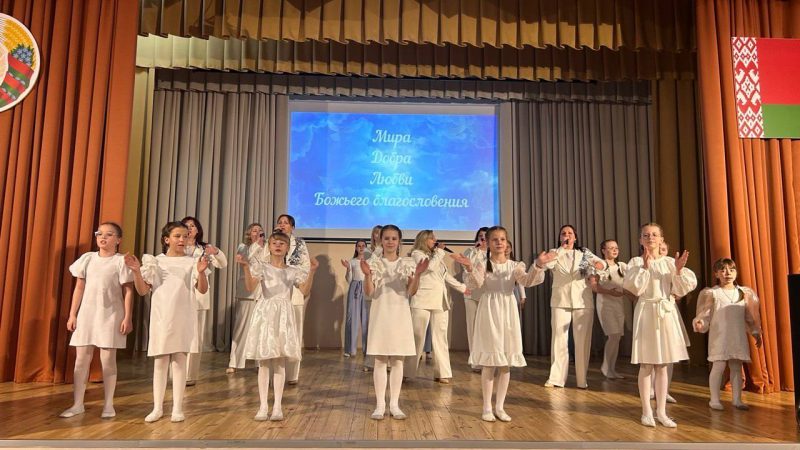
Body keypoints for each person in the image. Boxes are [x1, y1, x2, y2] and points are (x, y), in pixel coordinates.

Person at [453, 226, 540, 422]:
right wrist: (469, 267)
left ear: (507, 242)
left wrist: (538, 266)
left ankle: (500, 407)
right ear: (488, 243)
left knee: (505, 362)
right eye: (495, 239)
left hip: (508, 310)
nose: (499, 242)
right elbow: (475, 284)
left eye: (502, 239)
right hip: (490, 309)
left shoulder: (515, 265)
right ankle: (486, 407)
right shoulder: (483, 264)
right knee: (490, 360)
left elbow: (527, 281)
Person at [126, 221, 209, 423]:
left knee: (180, 361)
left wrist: (200, 272)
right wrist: (136, 272)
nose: (182, 240)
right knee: (161, 361)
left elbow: (202, 289)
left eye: (185, 236)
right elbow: (142, 290)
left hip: (183, 315)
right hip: (162, 315)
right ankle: (157, 407)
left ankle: (178, 408)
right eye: (177, 236)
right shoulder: (156, 261)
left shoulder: (192, 261)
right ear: (166, 239)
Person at [237, 231, 317, 421]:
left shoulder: (292, 271)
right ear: (269, 246)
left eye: (282, 243)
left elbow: (304, 290)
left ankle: (278, 406)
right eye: (275, 243)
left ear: (287, 248)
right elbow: (250, 287)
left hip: (283, 315)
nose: (278, 246)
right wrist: (246, 267)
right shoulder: (262, 267)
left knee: (280, 361)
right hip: (266, 314)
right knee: (264, 361)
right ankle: (263, 406)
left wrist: (312, 272)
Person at [623, 222, 696, 428]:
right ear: (640, 240)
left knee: (663, 364)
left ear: (661, 239)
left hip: (665, 312)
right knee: (647, 364)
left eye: (654, 235)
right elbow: (634, 288)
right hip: (646, 312)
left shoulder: (670, 263)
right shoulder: (636, 262)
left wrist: (678, 271)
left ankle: (662, 412)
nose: (650, 238)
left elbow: (681, 289)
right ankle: (646, 411)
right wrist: (645, 268)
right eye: (646, 235)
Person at [60, 222, 134, 419]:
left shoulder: (120, 261)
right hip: (87, 314)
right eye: (99, 233)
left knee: (107, 360)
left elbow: (128, 291)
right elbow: (79, 288)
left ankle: (108, 404)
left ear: (118, 240)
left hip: (111, 315)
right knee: (81, 360)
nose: (103, 237)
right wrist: (73, 314)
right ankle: (77, 404)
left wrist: (127, 317)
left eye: (109, 234)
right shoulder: (88, 259)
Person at [362, 225, 427, 420]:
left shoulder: (406, 263)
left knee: (398, 360)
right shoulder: (374, 263)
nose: (390, 241)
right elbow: (369, 292)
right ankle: (380, 405)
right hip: (381, 313)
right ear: (380, 240)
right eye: (386, 238)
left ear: (399, 241)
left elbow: (411, 291)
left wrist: (417, 275)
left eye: (394, 238)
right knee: (380, 360)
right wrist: (367, 275)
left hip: (400, 314)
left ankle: (395, 404)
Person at [532, 225, 604, 389]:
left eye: (570, 233)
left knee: (582, 341)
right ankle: (556, 378)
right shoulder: (555, 252)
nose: (567, 235)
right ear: (560, 237)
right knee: (559, 339)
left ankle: (581, 379)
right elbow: (546, 264)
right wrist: (561, 250)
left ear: (575, 237)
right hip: (560, 300)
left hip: (583, 300)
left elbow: (601, 265)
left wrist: (598, 268)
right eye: (563, 233)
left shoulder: (584, 253)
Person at [693, 258, 763, 411]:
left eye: (731, 270)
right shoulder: (713, 293)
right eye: (723, 270)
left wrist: (755, 332)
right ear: (716, 274)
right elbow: (705, 314)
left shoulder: (743, 293)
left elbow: (749, 317)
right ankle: (714, 399)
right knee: (718, 365)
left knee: (736, 366)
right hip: (720, 336)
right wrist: (700, 322)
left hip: (737, 335)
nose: (727, 273)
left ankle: (737, 399)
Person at [405, 230, 467, 384]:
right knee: (417, 336)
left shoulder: (436, 256)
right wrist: (439, 252)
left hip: (440, 300)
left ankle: (442, 373)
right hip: (422, 299)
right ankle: (408, 372)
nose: (435, 241)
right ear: (424, 240)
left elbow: (444, 276)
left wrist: (462, 288)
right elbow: (428, 268)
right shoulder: (417, 254)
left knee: (440, 338)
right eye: (432, 238)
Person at [181, 216, 227, 386]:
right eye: (186, 226)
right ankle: (177, 373)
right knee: (180, 335)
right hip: (179, 296)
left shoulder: (204, 249)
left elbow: (222, 264)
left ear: (198, 230)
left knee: (195, 337)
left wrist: (215, 252)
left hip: (199, 296)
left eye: (192, 226)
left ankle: (190, 375)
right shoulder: (177, 246)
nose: (189, 228)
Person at [227, 223, 265, 373]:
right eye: (254, 231)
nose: (258, 233)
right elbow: (245, 260)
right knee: (242, 329)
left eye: (260, 231)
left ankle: (260, 363)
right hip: (246, 293)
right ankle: (234, 362)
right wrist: (256, 245)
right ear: (249, 234)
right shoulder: (243, 247)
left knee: (261, 329)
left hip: (262, 293)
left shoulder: (266, 249)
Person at [592, 239, 629, 379]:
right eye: (611, 248)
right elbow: (595, 287)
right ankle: (606, 367)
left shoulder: (622, 266)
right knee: (613, 335)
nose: (614, 250)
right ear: (603, 250)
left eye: (616, 248)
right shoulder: (600, 266)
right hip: (605, 304)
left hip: (618, 305)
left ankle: (612, 369)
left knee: (617, 337)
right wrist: (610, 292)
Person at [461, 227, 488, 372]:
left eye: (485, 236)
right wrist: (476, 250)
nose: (482, 238)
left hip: (486, 294)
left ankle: (486, 359)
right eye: (480, 236)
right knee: (472, 327)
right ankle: (475, 361)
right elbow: (467, 268)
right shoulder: (470, 252)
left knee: (485, 328)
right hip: (471, 293)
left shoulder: (492, 253)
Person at [341, 239, 369, 358]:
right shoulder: (352, 261)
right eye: (359, 246)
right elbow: (349, 279)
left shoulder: (370, 261)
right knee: (352, 318)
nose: (361, 248)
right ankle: (350, 349)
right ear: (356, 248)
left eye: (363, 246)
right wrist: (348, 269)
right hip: (355, 289)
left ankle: (367, 350)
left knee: (367, 320)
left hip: (366, 288)